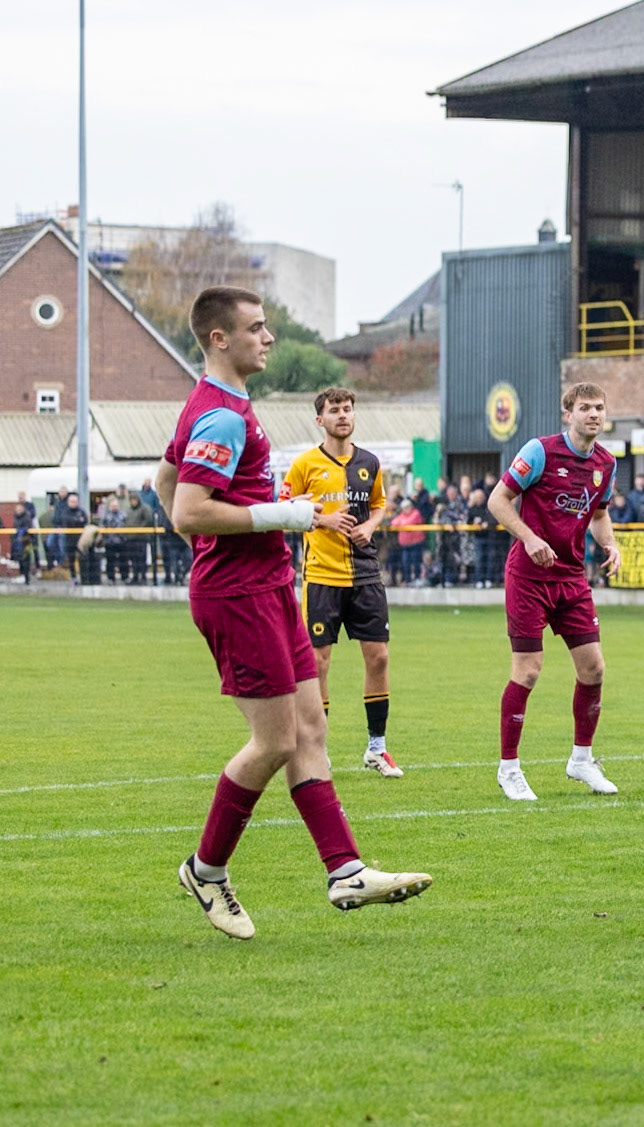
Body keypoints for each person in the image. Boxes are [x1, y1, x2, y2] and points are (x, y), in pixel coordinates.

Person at [155, 286, 429, 940]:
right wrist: (290, 515)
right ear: (219, 338)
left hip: (271, 583)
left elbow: (165, 483)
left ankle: (345, 870)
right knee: (275, 740)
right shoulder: (221, 415)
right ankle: (206, 868)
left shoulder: (222, 406)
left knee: (310, 727)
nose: (268, 336)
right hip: (240, 594)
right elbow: (190, 508)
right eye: (255, 327)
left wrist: (228, 532)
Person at [488, 382, 623, 801]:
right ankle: (508, 768)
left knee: (594, 669)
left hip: (571, 579)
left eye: (599, 408)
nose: (594, 415)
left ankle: (581, 760)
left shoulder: (606, 463)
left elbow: (599, 513)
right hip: (528, 577)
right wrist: (528, 537)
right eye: (585, 408)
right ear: (568, 414)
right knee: (527, 670)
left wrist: (610, 543)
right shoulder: (540, 451)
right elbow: (498, 500)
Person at [281, 387, 402, 779]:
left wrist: (369, 525)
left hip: (365, 574)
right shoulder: (304, 465)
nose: (343, 415)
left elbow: (380, 503)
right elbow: (284, 509)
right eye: (335, 410)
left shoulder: (369, 462)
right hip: (321, 576)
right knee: (318, 662)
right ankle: (318, 749)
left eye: (348, 409)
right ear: (320, 420)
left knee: (379, 658)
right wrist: (322, 520)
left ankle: (377, 748)